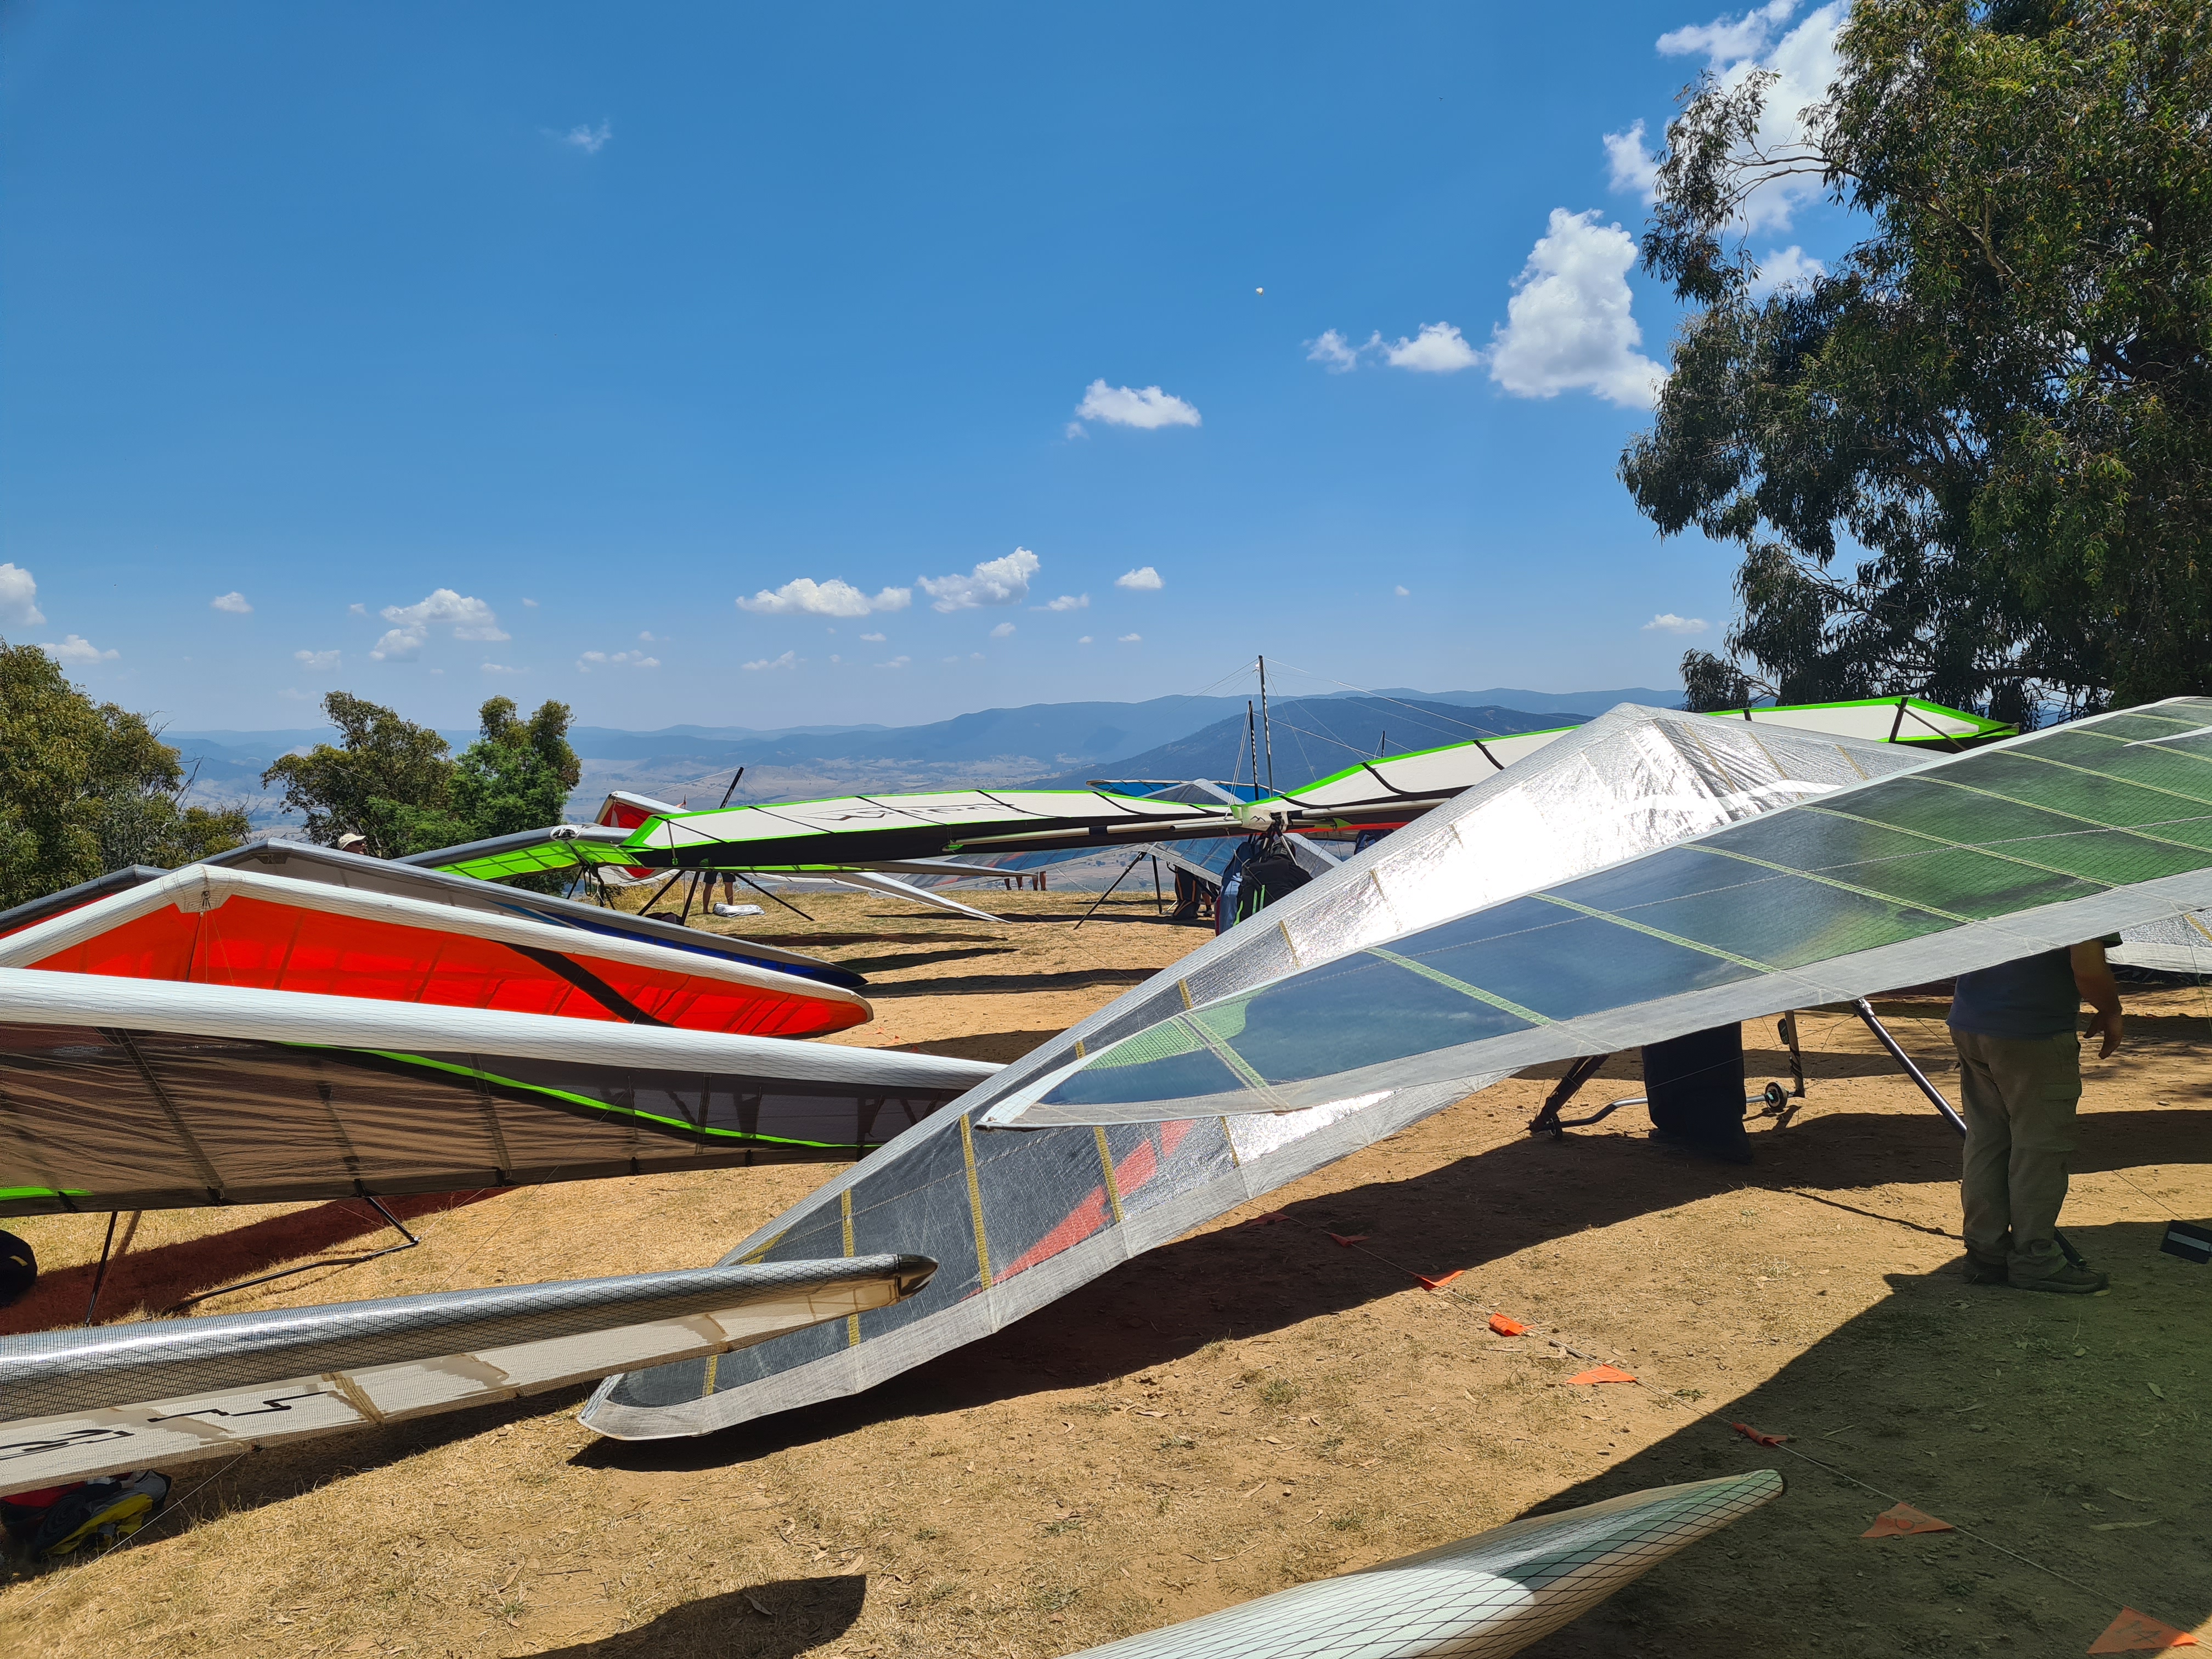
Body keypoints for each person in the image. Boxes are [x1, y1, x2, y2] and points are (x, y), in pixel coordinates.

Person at [1946, 937, 2124, 1294]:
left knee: (1987, 1140)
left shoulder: (1984, 891)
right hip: (2033, 1032)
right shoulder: (2082, 900)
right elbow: (2088, 968)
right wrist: (2112, 1010)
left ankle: (1985, 1255)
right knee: (2040, 1147)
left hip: (1970, 1022)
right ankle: (2036, 1261)